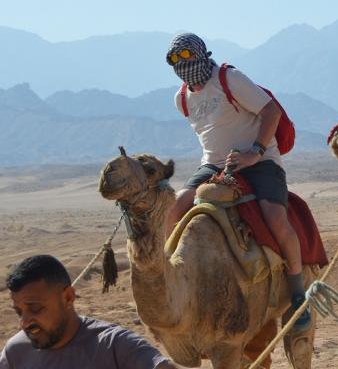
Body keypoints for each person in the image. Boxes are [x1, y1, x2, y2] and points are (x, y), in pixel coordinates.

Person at [164, 33, 310, 331]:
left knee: (275, 217)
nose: (183, 64)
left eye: (188, 56)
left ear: (202, 54)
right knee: (176, 207)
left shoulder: (228, 78)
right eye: (175, 60)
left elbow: (271, 111)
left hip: (260, 161)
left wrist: (254, 152)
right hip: (214, 165)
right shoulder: (182, 99)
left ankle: (298, 291)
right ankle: (171, 280)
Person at [0, 255, 175, 369]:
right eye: (19, 311)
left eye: (35, 308)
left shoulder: (114, 346)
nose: (24, 322)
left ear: (68, 297)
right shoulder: (15, 353)